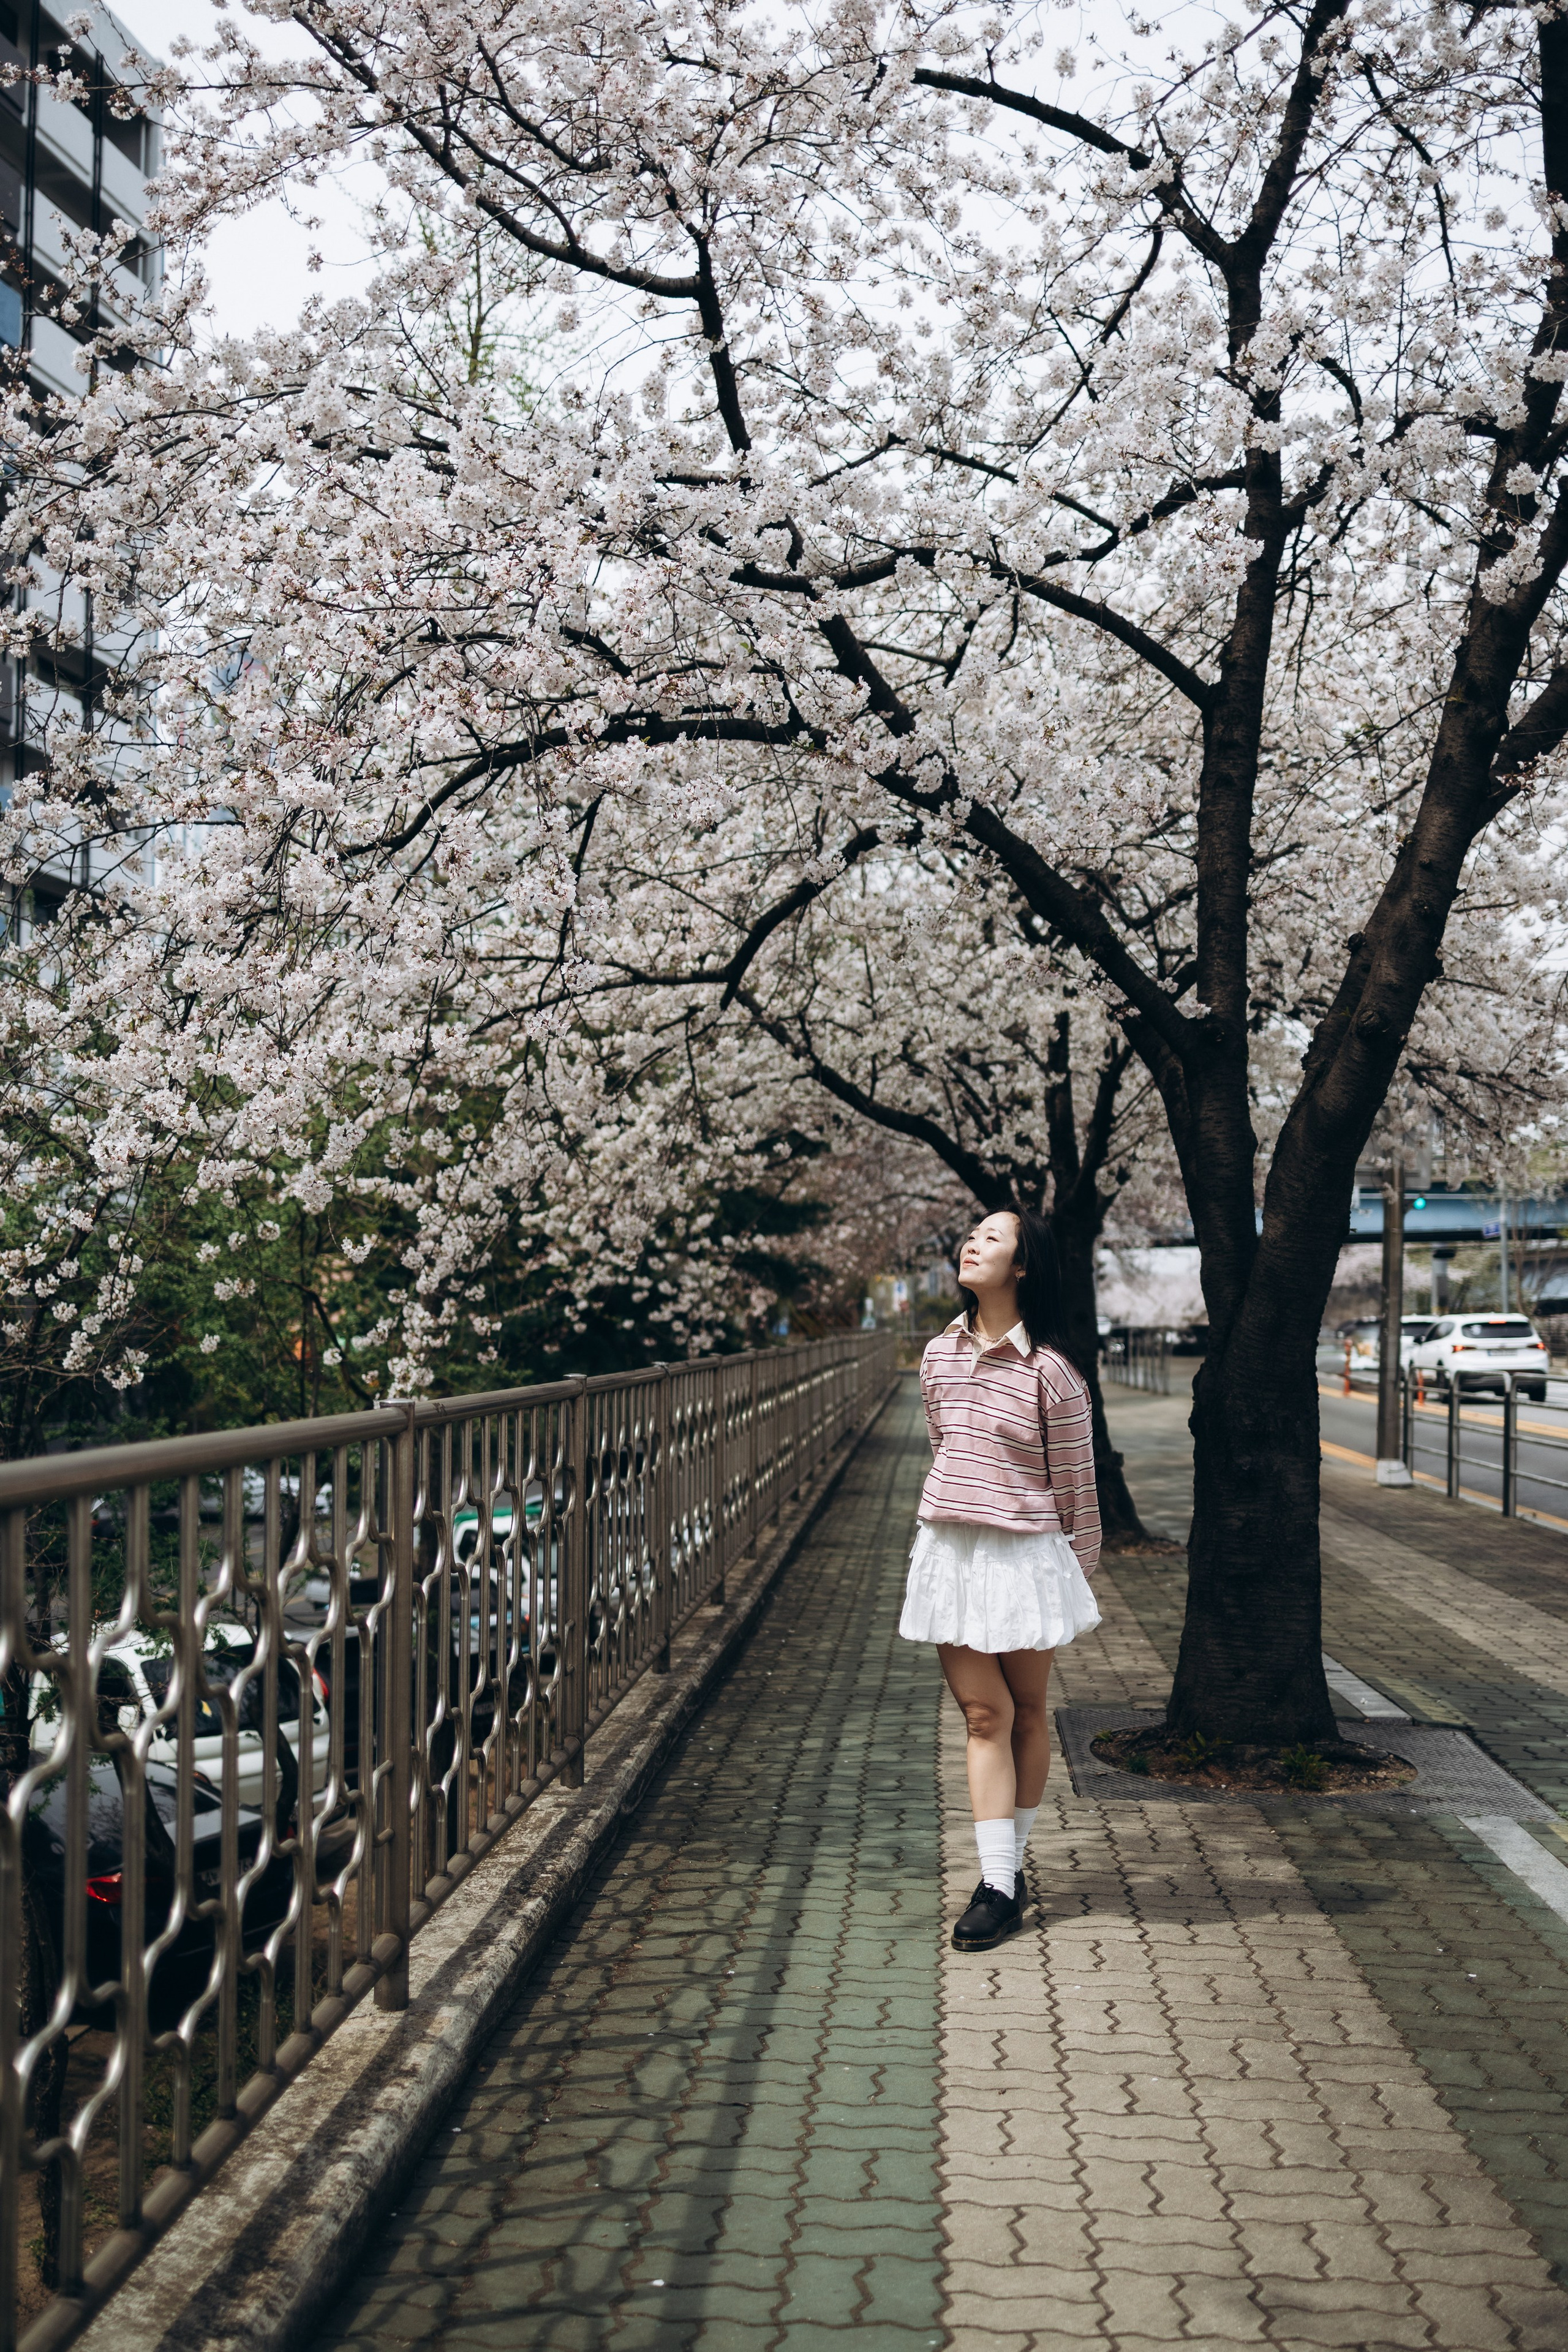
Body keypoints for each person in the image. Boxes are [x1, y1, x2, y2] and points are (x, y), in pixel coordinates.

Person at [900, 1205, 1101, 1951]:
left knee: (1026, 1712)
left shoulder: (1053, 1373)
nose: (971, 1243)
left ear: (1022, 1266)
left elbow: (1077, 1487)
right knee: (983, 1715)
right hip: (952, 1551)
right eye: (971, 1234)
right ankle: (997, 1882)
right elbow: (944, 1445)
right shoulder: (937, 1355)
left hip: (1026, 1558)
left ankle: (1005, 1877)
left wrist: (1073, 1580)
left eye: (992, 1237)